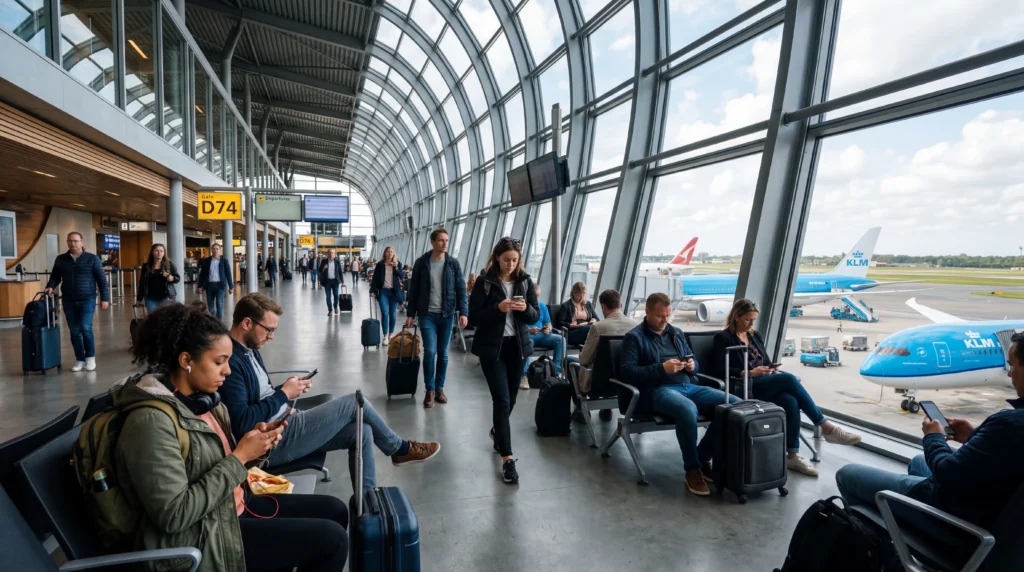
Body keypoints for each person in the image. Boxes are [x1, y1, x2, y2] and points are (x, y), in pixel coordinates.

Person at [115, 301, 349, 572]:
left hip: (229, 506)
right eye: (219, 362)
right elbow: (174, 515)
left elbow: (215, 464)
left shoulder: (207, 402)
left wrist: (256, 450)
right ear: (186, 361)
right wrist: (240, 457)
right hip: (202, 535)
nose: (227, 370)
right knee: (330, 540)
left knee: (335, 509)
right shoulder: (150, 422)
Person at [219, 294, 441, 492]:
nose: (271, 337)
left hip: (284, 421)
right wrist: (284, 394)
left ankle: (367, 503)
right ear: (247, 323)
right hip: (271, 441)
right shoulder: (231, 363)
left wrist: (286, 388)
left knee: (361, 430)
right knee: (354, 402)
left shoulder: (249, 350)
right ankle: (399, 449)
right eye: (269, 330)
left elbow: (261, 397)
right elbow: (243, 423)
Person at [836, 332, 1024, 530]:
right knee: (919, 462)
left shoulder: (1009, 424)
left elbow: (947, 473)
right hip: (994, 504)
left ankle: (875, 546)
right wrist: (972, 437)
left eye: (1012, 366)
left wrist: (934, 437)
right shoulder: (1012, 425)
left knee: (847, 475)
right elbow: (1002, 454)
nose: (1009, 373)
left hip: (960, 520)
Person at [711, 298, 861, 476]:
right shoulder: (722, 338)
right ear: (736, 316)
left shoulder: (754, 335)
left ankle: (792, 456)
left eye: (753, 320)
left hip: (762, 382)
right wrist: (750, 373)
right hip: (743, 385)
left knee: (790, 402)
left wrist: (770, 368)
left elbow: (765, 361)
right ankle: (826, 427)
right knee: (789, 380)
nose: (751, 323)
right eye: (747, 319)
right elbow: (720, 369)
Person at [620, 292, 738, 497]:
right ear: (647, 312)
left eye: (668, 316)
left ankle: (701, 458)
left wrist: (692, 366)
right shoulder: (634, 338)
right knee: (687, 409)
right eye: (660, 316)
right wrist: (661, 368)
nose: (665, 321)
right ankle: (692, 469)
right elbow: (628, 372)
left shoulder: (675, 333)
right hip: (658, 390)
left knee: (733, 404)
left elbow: (693, 362)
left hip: (688, 386)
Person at [468, 237, 539, 484]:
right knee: (502, 399)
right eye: (507, 259)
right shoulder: (485, 282)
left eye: (515, 260)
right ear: (497, 257)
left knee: (512, 397)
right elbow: (474, 317)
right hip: (492, 349)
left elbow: (534, 315)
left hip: (517, 347)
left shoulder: (525, 281)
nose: (511, 264)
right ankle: (507, 458)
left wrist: (523, 309)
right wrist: (498, 308)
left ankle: (498, 431)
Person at [406, 228, 468, 408]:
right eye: (441, 240)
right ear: (432, 242)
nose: (445, 243)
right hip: (427, 315)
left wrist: (463, 312)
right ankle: (429, 390)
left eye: (447, 240)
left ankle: (440, 388)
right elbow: (414, 290)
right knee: (430, 352)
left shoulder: (453, 264)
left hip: (447, 315)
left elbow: (461, 290)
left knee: (443, 354)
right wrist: (411, 314)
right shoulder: (422, 263)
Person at [44, 232, 110, 372]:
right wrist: (50, 285)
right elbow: (55, 276)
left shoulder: (92, 259)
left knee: (85, 328)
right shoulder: (61, 259)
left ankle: (90, 358)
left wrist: (105, 298)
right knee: (74, 331)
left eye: (75, 241)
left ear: (81, 242)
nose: (73, 243)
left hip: (88, 299)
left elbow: (102, 280)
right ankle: (80, 359)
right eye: (70, 241)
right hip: (68, 300)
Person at [574, 289, 638, 419]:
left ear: (603, 306)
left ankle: (581, 411)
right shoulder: (635, 326)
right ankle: (606, 409)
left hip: (599, 385)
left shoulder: (598, 327)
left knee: (570, 363)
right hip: (628, 383)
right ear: (620, 306)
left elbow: (584, 360)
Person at [518, 283, 564, 390]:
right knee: (526, 343)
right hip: (528, 334)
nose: (536, 299)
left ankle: (556, 372)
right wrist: (529, 329)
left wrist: (548, 329)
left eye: (538, 296)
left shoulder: (542, 306)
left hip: (541, 334)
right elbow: (518, 326)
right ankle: (523, 376)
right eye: (535, 296)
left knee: (561, 340)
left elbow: (548, 323)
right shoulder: (522, 307)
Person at [369, 246, 404, 345]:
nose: (390, 253)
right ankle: (385, 336)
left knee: (392, 314)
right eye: (388, 252)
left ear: (394, 254)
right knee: (384, 313)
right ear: (385, 253)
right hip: (383, 291)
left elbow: (401, 276)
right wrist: (372, 290)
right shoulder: (380, 265)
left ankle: (391, 334)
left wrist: (396, 267)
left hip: (394, 292)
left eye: (392, 252)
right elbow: (375, 278)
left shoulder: (398, 264)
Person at [136, 243, 181, 313]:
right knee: (153, 319)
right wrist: (139, 299)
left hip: (166, 297)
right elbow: (142, 283)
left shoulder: (169, 265)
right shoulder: (146, 266)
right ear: (152, 252)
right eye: (156, 251)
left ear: (164, 253)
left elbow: (177, 278)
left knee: (166, 319)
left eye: (161, 251)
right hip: (151, 298)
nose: (159, 253)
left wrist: (172, 278)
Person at [554, 282, 599, 347]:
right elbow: (560, 323)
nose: (581, 299)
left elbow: (597, 319)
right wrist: (577, 326)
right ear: (573, 294)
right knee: (590, 329)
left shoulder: (588, 304)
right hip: (571, 332)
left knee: (594, 328)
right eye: (579, 296)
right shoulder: (566, 306)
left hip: (586, 329)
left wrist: (593, 320)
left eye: (583, 296)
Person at [197, 243, 234, 320]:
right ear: (211, 250)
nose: (215, 250)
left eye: (217, 249)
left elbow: (228, 274)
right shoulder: (206, 261)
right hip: (209, 286)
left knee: (219, 304)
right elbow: (202, 275)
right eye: (214, 249)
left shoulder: (224, 261)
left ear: (220, 251)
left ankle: (219, 323)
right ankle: (214, 319)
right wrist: (199, 286)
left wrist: (231, 286)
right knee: (210, 307)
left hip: (220, 285)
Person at [319, 249, 345, 316]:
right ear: (328, 253)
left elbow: (340, 271)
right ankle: (330, 310)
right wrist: (324, 268)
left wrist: (342, 281)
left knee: (336, 295)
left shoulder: (337, 261)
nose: (331, 254)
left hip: (335, 281)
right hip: (327, 281)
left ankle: (335, 306)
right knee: (328, 296)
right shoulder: (324, 261)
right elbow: (319, 271)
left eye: (332, 253)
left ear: (334, 254)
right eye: (330, 253)